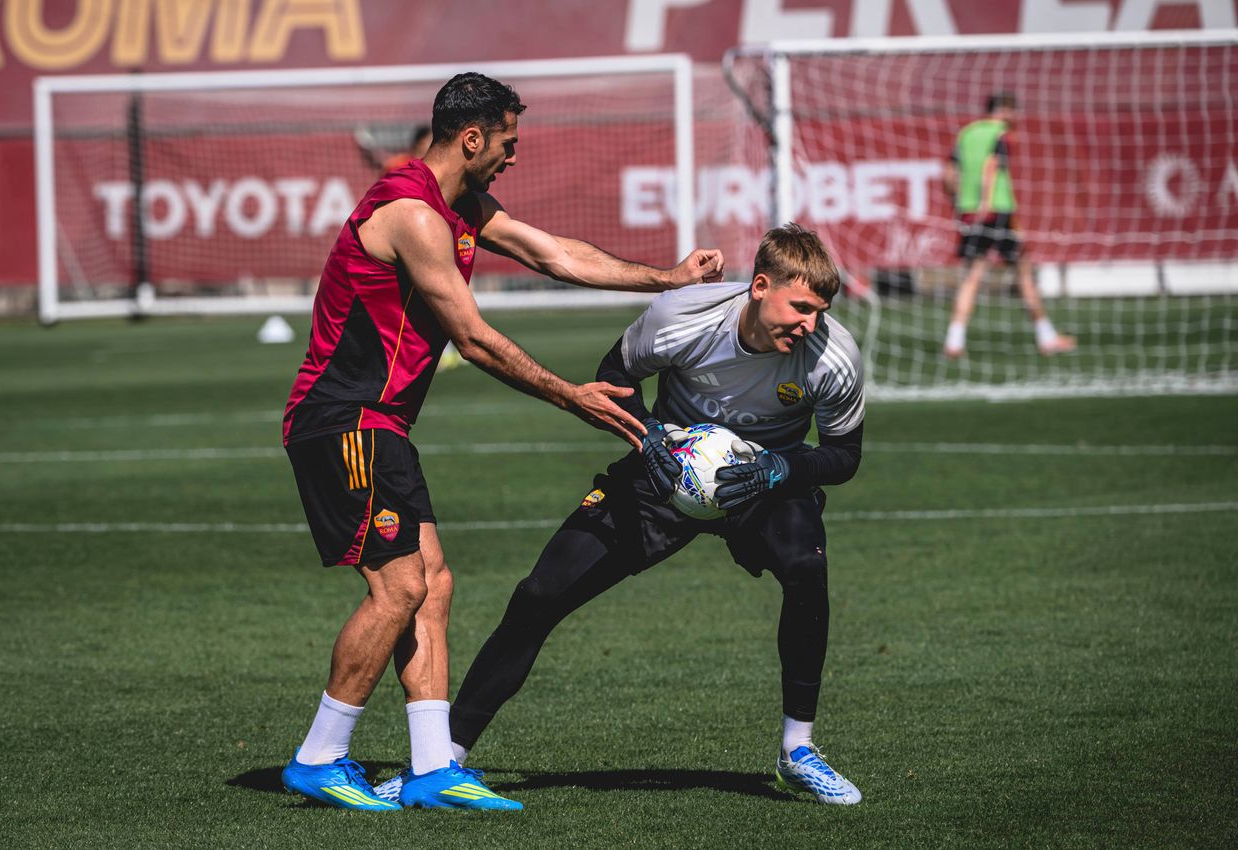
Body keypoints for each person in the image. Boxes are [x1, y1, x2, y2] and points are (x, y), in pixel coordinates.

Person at [279, 72, 725, 813]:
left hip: (383, 424)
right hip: (345, 423)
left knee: (433, 583)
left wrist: (666, 277)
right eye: (509, 143)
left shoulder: (458, 207)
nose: (514, 157)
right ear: (473, 137)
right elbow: (476, 341)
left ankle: (430, 768)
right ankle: (320, 755)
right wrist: (572, 396)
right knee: (399, 588)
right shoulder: (413, 215)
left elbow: (554, 253)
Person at [380, 223, 865, 806]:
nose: (812, 324)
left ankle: (798, 751)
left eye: (821, 311)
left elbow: (844, 454)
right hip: (664, 470)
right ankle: (443, 762)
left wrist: (782, 471)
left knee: (807, 570)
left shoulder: (832, 356)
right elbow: (615, 376)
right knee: (540, 594)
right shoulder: (683, 316)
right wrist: (652, 437)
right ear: (760, 286)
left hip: (762, 481)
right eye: (802, 307)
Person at [942, 92, 1076, 359]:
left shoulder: (967, 133)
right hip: (998, 210)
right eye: (1012, 111)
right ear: (1002, 111)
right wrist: (985, 202)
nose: (1015, 117)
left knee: (971, 278)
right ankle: (1046, 337)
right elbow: (992, 166)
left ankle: (954, 342)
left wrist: (960, 204)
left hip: (969, 212)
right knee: (1024, 273)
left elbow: (948, 173)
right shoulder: (1002, 133)